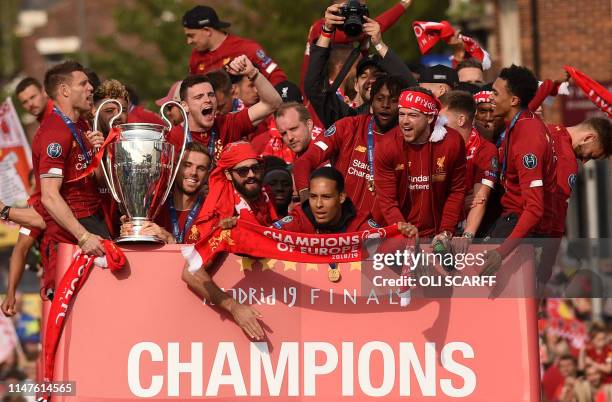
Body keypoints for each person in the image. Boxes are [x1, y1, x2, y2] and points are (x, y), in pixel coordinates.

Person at [181, 141, 278, 341]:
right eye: (242, 171)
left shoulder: (264, 200)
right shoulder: (222, 214)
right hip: (228, 327)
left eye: (255, 168)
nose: (251, 175)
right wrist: (234, 308)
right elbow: (190, 272)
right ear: (227, 175)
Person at [294, 75, 410, 217]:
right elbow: (303, 162)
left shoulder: (408, 140)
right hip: (341, 230)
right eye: (380, 99)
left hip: (381, 233)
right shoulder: (348, 127)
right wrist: (307, 204)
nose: (385, 105)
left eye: (393, 100)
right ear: (371, 102)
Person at [480, 65, 557, 277]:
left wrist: (501, 253)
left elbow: (534, 208)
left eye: (495, 93)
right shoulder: (519, 120)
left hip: (521, 228)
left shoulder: (528, 138)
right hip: (510, 220)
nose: (490, 97)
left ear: (513, 100)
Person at [33, 60, 109, 259]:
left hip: (93, 218)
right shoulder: (54, 133)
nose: (91, 87)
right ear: (65, 90)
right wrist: (83, 236)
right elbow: (49, 196)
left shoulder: (82, 125)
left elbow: (97, 179)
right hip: (72, 235)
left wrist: (97, 153)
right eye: (83, 84)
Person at [374, 87, 466, 246]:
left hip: (437, 236)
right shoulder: (387, 146)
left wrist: (446, 231)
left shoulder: (452, 142)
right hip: (398, 235)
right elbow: (388, 201)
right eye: (402, 114)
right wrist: (404, 231)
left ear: (430, 117)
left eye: (413, 115)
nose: (405, 121)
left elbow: (456, 191)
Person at [304, 2, 416, 128]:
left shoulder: (398, 119)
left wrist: (379, 44)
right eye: (363, 76)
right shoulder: (348, 119)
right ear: (356, 85)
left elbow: (413, 90)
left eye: (377, 75)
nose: (370, 80)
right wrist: (326, 31)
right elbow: (313, 87)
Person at [167, 56, 282, 163]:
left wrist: (252, 73)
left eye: (211, 95)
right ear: (185, 106)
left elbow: (273, 103)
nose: (207, 100)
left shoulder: (227, 124)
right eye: (199, 97)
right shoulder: (173, 137)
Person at [274, 166, 418, 238]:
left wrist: (404, 236)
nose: (318, 205)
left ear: (341, 197)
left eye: (326, 197)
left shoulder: (360, 224)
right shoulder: (299, 219)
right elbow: (266, 236)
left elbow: (387, 251)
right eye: (313, 196)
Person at [300, 0, 413, 90]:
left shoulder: (360, 28)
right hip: (320, 102)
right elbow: (349, 33)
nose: (354, 3)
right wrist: (403, 4)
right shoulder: (324, 26)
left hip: (349, 97)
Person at [120, 142, 211, 244]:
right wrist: (132, 232)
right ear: (175, 168)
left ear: (207, 175)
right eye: (187, 165)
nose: (193, 172)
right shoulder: (152, 209)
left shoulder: (211, 213)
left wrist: (170, 240)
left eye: (201, 168)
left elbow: (208, 257)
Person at [439, 90, 498, 243]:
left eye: (440, 119)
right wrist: (456, 200)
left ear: (461, 120)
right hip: (434, 227)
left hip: (466, 229)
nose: (435, 124)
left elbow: (480, 199)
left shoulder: (485, 149)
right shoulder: (433, 143)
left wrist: (467, 236)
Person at [183, 5, 287, 85]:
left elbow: (276, 76)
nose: (189, 41)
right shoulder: (195, 57)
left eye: (191, 35)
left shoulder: (248, 49)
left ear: (207, 31)